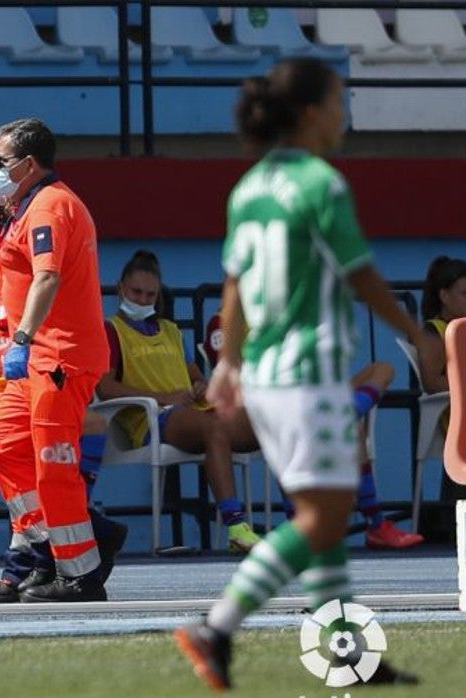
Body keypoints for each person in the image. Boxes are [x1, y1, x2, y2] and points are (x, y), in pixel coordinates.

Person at [175, 58, 426, 690]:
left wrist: (228, 362)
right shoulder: (321, 182)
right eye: (339, 100)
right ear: (312, 111)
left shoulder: (250, 187)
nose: (344, 113)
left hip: (264, 374)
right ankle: (218, 626)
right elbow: (360, 270)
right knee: (321, 517)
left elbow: (234, 288)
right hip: (310, 372)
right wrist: (414, 331)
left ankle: (348, 659)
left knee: (325, 516)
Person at [0, 137, 115, 604]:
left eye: (0, 162)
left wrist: (20, 343)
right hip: (30, 358)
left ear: (27, 163)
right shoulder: (25, 212)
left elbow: (47, 278)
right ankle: (56, 546)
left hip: (57, 356)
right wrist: (1, 351)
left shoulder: (48, 208)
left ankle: (80, 573)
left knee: (53, 466)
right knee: (1, 446)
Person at [204, 313, 424, 549]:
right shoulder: (224, 322)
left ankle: (351, 411)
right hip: (266, 407)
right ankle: (372, 523)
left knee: (383, 369)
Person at [98, 250, 263, 553]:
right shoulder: (111, 331)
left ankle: (303, 521)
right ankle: (237, 527)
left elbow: (196, 377)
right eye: (136, 292)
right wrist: (166, 398)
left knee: (267, 423)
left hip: (194, 412)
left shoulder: (172, 332)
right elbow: (105, 387)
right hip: (151, 420)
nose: (143, 300)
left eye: (150, 294)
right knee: (213, 428)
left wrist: (201, 386)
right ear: (121, 288)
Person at [416, 256, 466, 524]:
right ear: (444, 296)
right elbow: (432, 382)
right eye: (465, 293)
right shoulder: (435, 332)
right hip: (454, 418)